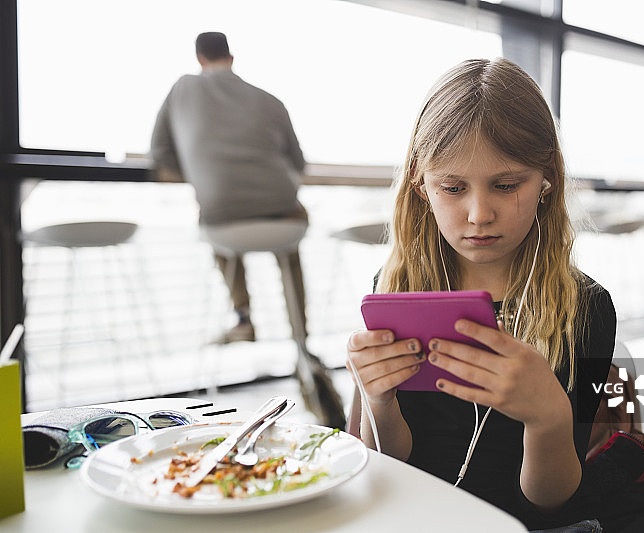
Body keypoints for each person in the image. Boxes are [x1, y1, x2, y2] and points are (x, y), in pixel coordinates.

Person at [345, 58, 616, 532]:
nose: (478, 214)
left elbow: (553, 504)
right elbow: (388, 464)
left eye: (506, 185)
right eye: (453, 187)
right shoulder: (395, 290)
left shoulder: (584, 308)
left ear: (546, 179)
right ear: (421, 183)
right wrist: (378, 401)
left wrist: (549, 418)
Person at [150, 31, 307, 344]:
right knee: (290, 247)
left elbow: (159, 153)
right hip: (282, 212)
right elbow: (299, 162)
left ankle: (243, 317)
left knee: (216, 223)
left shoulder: (182, 88)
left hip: (221, 215)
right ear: (231, 58)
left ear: (199, 59)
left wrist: (202, 171)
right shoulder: (269, 99)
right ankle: (301, 334)